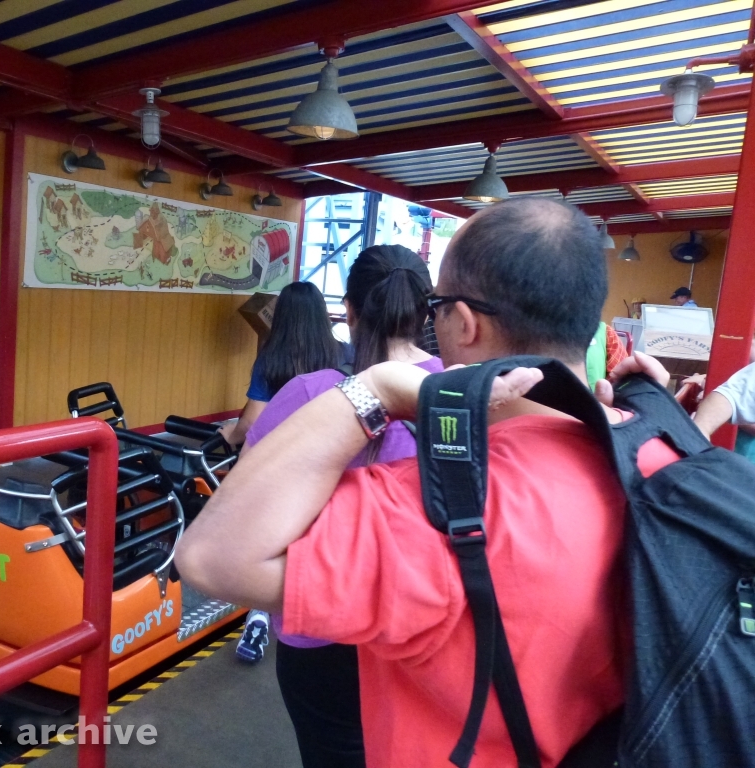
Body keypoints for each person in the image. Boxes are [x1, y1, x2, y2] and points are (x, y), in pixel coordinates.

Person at [176, 198, 681, 768]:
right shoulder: (667, 455)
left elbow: (209, 559)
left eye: (438, 306)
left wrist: (375, 390)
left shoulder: (430, 509)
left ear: (463, 323)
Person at [237, 244, 440, 768]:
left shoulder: (311, 393)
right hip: (426, 624)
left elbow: (245, 504)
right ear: (426, 313)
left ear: (349, 310)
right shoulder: (463, 395)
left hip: (321, 624)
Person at [218, 281, 343, 448]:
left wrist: (232, 435)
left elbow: (251, 422)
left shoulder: (271, 359)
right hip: (328, 445)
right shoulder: (343, 354)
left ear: (281, 316)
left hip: (282, 448)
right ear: (322, 314)